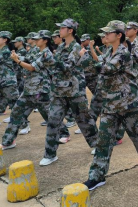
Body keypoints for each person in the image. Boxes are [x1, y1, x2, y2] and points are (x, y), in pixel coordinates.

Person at [81, 20, 138, 190]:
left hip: (128, 103)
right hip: (110, 104)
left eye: (108, 32)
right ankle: (96, 175)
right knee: (103, 141)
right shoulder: (109, 51)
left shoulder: (124, 53)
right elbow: (101, 65)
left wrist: (85, 58)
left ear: (118, 35)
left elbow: (105, 69)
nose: (105, 35)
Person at [40, 19, 98, 166]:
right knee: (53, 121)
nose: (60, 30)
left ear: (70, 30)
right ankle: (50, 154)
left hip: (74, 91)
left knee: (84, 120)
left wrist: (51, 61)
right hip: (59, 91)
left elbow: (67, 67)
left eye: (62, 28)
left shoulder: (77, 47)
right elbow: (55, 68)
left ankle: (97, 145)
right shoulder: (60, 47)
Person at [1, 30, 70, 149]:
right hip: (29, 89)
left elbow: (32, 67)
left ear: (45, 41)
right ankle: (8, 141)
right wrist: (18, 57)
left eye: (38, 39)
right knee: (16, 112)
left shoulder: (46, 54)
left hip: (40, 90)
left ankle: (64, 133)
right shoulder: (37, 51)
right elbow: (27, 59)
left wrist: (18, 61)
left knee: (49, 115)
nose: (35, 41)